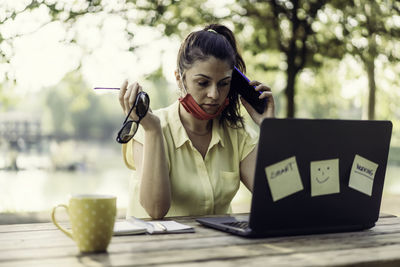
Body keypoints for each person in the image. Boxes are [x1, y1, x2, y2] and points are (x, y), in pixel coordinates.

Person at [119, 24, 275, 219]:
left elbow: (278, 195)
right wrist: (152, 130)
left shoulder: (237, 134)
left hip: (217, 247)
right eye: (203, 83)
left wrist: (270, 128)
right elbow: (155, 209)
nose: (214, 94)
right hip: (157, 247)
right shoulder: (149, 128)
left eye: (224, 83)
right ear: (179, 78)